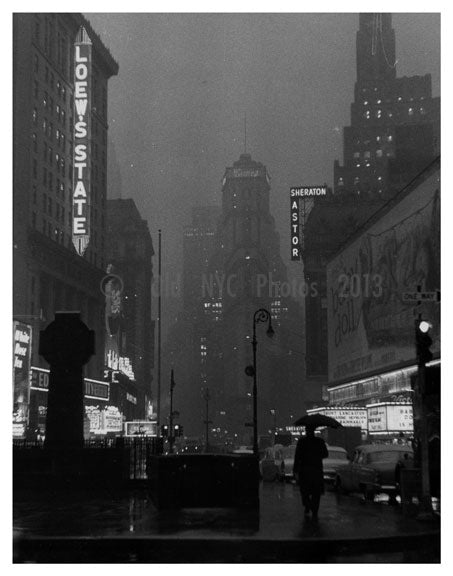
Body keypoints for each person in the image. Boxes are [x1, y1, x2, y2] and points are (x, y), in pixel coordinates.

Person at [293, 425, 328, 520]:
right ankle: (314, 510)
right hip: (316, 470)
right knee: (316, 492)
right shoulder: (319, 441)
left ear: (306, 431)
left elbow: (297, 457)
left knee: (305, 491)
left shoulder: (302, 442)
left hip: (304, 470)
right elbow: (325, 454)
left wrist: (295, 470)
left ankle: (308, 505)